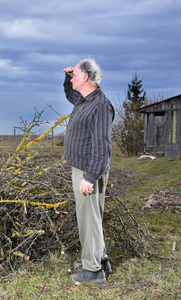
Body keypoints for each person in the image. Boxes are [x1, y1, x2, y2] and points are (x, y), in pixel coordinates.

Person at [62, 58, 115, 284]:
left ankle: (92, 271)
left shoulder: (100, 105)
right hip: (84, 169)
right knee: (93, 217)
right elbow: (69, 94)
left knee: (88, 220)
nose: (73, 78)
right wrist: (67, 77)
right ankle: (99, 261)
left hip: (88, 171)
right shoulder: (85, 101)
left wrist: (89, 177)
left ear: (85, 77)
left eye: (75, 75)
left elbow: (102, 145)